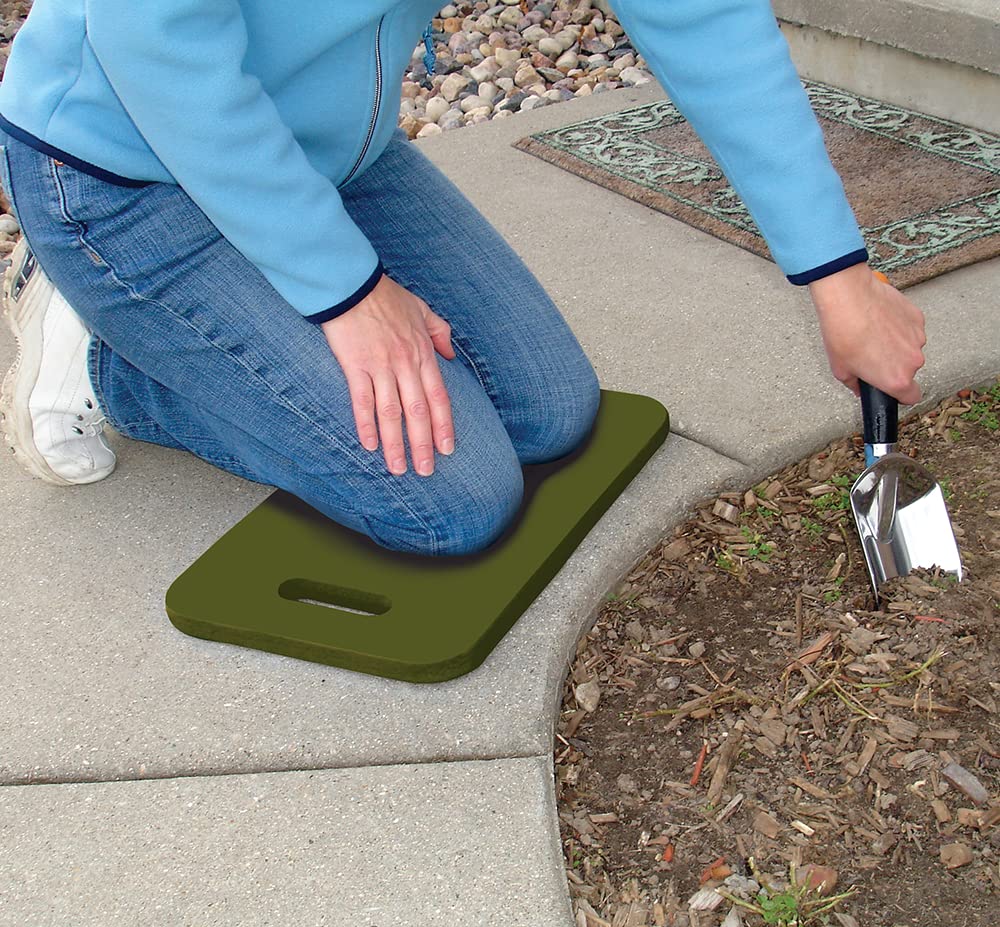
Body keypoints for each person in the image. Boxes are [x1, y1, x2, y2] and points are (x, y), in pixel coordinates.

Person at [0, 1, 926, 557]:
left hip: (329, 157)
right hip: (125, 169)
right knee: (448, 502)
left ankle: (218, 307)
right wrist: (349, 293)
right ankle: (112, 362)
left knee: (549, 410)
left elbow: (704, 20)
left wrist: (838, 275)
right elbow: (157, 46)